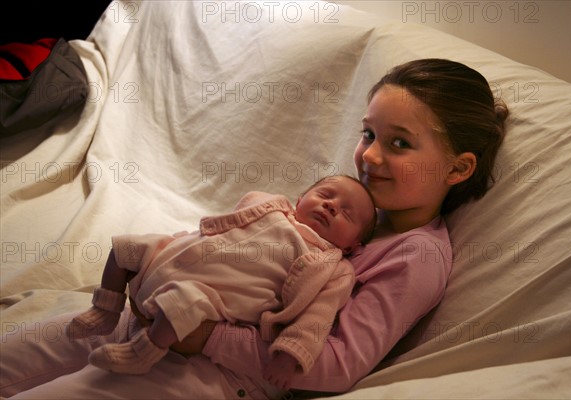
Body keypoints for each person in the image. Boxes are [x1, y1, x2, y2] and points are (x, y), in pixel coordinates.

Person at [0, 59, 508, 399]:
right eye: (369, 134)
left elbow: (335, 362)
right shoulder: (355, 208)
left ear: (458, 169)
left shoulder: (416, 256)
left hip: (214, 369)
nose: (370, 155)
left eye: (400, 144)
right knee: (18, 352)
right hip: (156, 312)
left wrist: (204, 339)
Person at [65, 175, 377, 387]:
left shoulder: (332, 266)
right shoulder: (273, 207)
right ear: (299, 200)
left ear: (352, 246)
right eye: (324, 195)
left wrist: (290, 354)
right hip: (175, 258)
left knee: (184, 305)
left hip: (211, 293)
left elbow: (316, 317)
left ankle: (143, 351)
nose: (331, 205)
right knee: (124, 248)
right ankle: (105, 309)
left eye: (346, 214)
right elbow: (223, 228)